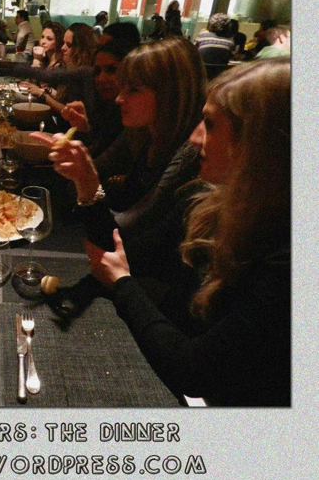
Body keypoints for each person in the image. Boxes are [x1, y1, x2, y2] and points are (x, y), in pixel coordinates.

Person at [86, 58, 290, 406]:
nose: (195, 138)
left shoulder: (287, 262)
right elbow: (122, 251)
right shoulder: (206, 201)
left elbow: (194, 371)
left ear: (260, 143)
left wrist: (123, 284)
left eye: (209, 124)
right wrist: (87, 187)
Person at [31, 37, 205, 246]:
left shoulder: (188, 155)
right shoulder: (141, 132)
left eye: (133, 89)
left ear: (172, 93)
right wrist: (82, 140)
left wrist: (87, 185)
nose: (119, 98)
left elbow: (125, 232)